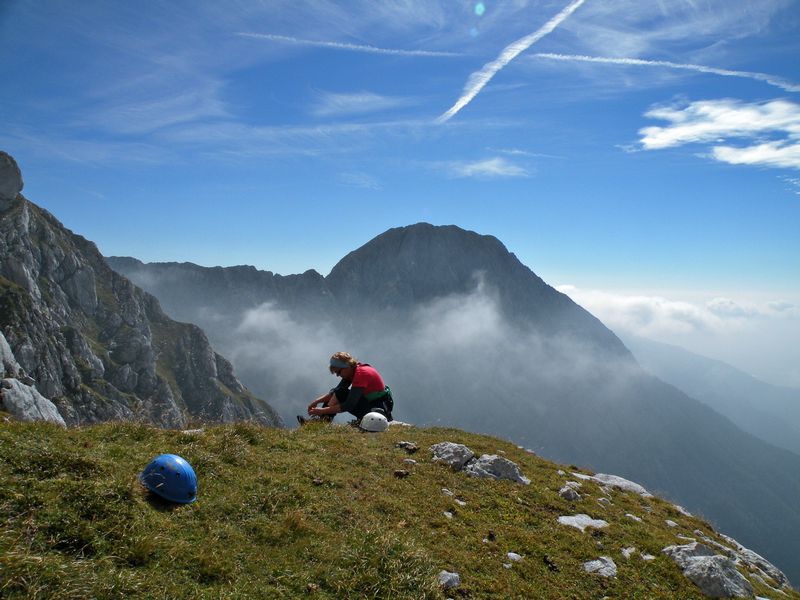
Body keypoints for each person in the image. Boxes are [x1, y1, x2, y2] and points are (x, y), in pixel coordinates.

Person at [298, 351, 393, 425]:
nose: (338, 375)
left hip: (378, 414)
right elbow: (336, 391)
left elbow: (349, 405)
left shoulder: (361, 374)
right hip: (372, 407)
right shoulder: (353, 371)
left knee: (341, 394)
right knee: (339, 392)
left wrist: (322, 411)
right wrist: (315, 402)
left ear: (346, 367)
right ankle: (322, 422)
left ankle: (322, 422)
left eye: (338, 372)